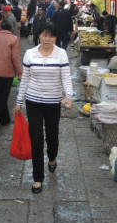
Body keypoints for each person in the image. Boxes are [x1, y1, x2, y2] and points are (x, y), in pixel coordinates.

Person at [14, 22, 73, 194]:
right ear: (38, 35)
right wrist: (19, 102)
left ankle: (52, 158)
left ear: (55, 37)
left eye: (51, 36)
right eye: (44, 35)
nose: (47, 39)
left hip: (53, 103)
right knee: (36, 139)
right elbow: (24, 80)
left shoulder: (61, 54)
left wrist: (68, 96)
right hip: (33, 102)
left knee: (52, 137)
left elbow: (66, 78)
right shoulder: (30, 54)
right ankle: (38, 178)